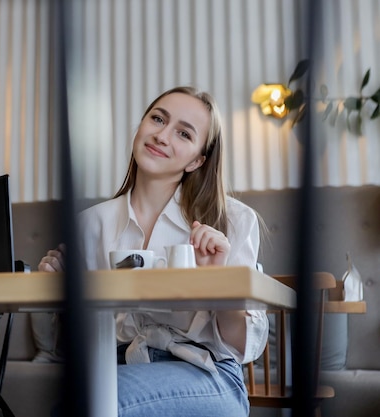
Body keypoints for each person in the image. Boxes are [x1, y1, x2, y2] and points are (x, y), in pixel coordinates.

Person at [38, 86, 269, 416]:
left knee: (91, 404)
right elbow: (77, 342)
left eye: (184, 134)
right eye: (157, 119)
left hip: (207, 373)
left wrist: (218, 280)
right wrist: (60, 292)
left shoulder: (232, 219)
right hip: (115, 367)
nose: (162, 135)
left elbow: (241, 346)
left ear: (197, 160)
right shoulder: (89, 225)